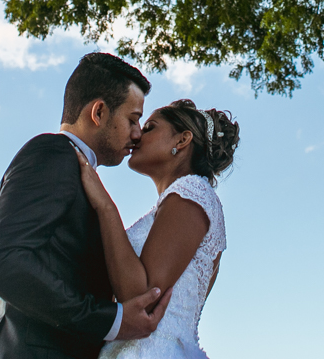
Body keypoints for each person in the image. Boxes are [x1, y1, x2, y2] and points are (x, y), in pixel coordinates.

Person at [0, 53, 172, 359]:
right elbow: (2, 260)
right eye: (132, 118)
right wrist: (111, 320)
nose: (136, 133)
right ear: (99, 112)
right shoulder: (53, 154)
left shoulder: (76, 171)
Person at [76, 99, 240, 359]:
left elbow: (143, 299)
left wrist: (105, 207)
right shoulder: (181, 203)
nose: (138, 133)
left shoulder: (193, 193)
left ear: (182, 140)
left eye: (150, 127)